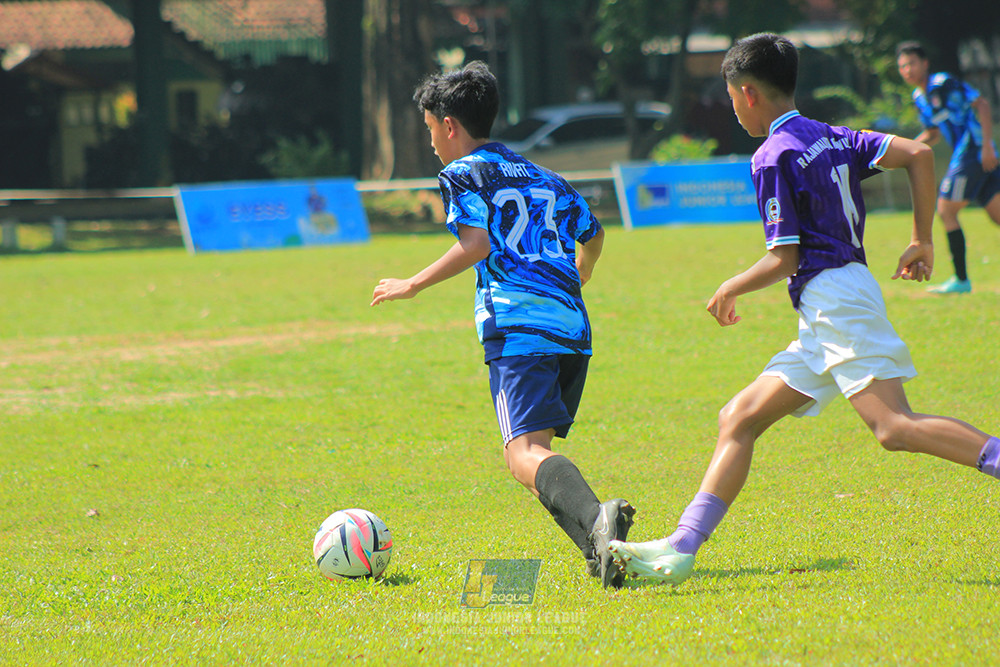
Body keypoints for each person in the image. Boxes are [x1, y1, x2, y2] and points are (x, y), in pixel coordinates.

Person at [609, 33, 1000, 586]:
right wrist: (922, 239)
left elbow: (785, 257)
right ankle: (681, 549)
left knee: (892, 426)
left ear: (747, 94)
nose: (731, 107)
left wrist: (731, 286)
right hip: (833, 301)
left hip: (834, 297)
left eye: (729, 96)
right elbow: (919, 153)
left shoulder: (772, 154)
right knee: (739, 417)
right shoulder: (830, 135)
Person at [370, 61, 635, 589]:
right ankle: (601, 550)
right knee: (535, 457)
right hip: (571, 330)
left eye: (430, 132)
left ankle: (599, 521)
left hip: (518, 327)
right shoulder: (544, 175)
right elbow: (596, 234)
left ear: (449, 125)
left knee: (524, 456)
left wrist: (413, 284)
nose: (431, 146)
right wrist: (577, 278)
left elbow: (477, 245)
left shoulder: (461, 173)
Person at [896, 41, 1000, 294]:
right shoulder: (920, 97)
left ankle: (961, 280)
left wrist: (987, 146)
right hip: (968, 155)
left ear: (925, 64)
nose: (907, 70)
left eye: (911, 63)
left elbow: (982, 104)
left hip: (973, 151)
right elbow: (932, 133)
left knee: (945, 210)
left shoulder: (943, 83)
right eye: (902, 66)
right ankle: (961, 280)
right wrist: (902, 148)